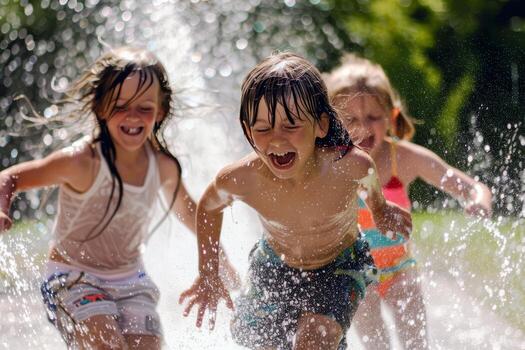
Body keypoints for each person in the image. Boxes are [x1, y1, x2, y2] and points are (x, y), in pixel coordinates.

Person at [0, 46, 237, 350]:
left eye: (144, 108)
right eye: (120, 105)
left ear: (161, 111)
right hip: (72, 277)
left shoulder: (162, 167)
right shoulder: (82, 161)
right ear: (100, 107)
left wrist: (219, 259)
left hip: (131, 282)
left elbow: (192, 214)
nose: (132, 117)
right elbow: (10, 177)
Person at [178, 52, 412, 350]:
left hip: (340, 265)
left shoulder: (349, 166)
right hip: (274, 265)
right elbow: (209, 207)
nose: (276, 139)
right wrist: (208, 273)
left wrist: (380, 210)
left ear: (321, 125)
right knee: (260, 341)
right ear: (248, 130)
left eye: (291, 125)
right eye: (262, 128)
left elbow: (369, 182)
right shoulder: (241, 178)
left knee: (314, 339)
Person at [324, 54, 492, 349]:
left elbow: (469, 185)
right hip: (358, 274)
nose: (363, 127)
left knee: (416, 342)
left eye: (373, 117)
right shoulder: (332, 164)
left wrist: (479, 200)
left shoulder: (404, 157)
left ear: (390, 116)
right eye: (350, 119)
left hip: (400, 269)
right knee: (376, 343)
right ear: (333, 122)